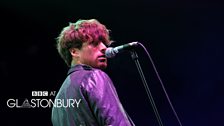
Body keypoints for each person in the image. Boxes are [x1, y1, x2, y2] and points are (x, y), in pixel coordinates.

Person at [51, 19, 135, 126]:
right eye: (94, 43)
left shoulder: (58, 102)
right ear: (74, 51)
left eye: (104, 43)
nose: (104, 48)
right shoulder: (93, 76)